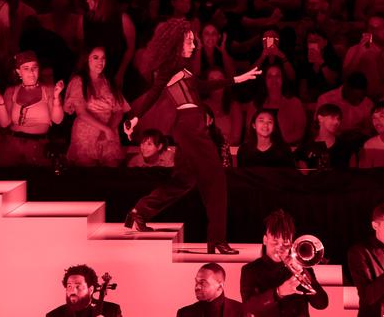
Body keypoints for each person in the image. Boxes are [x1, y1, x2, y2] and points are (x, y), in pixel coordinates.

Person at [123, 18, 261, 254]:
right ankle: (217, 240)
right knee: (216, 181)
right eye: (189, 41)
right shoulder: (169, 67)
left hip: (190, 126)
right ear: (177, 42)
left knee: (184, 181)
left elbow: (203, 86)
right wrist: (135, 118)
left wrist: (236, 79)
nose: (194, 45)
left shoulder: (183, 68)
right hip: (190, 127)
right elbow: (154, 93)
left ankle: (139, 213)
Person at [240, 209, 328, 316]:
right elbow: (249, 308)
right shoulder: (250, 270)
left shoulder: (302, 268)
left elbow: (321, 304)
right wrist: (278, 292)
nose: (280, 247)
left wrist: (304, 274)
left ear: (291, 243)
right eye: (275, 241)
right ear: (265, 240)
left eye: (285, 242)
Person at [64, 46, 130, 167]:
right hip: (86, 137)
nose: (100, 61)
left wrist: (108, 130)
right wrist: (105, 129)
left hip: (109, 136)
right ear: (86, 60)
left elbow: (119, 111)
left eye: (103, 58)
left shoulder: (109, 82)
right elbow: (81, 113)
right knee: (89, 177)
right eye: (96, 58)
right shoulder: (79, 81)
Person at [0, 51, 64, 166]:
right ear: (19, 72)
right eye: (26, 68)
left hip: (38, 146)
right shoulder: (11, 91)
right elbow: (4, 123)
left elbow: (57, 120)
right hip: (12, 145)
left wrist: (56, 98)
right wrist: (0, 102)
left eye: (34, 68)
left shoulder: (49, 90)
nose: (31, 72)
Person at [343, 13, 384, 100]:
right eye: (371, 27)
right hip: (360, 100)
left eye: (379, 28)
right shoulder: (354, 49)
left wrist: (377, 56)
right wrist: (358, 53)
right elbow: (345, 78)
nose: (373, 32)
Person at [246, 64, 306, 145]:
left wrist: (278, 145)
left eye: (277, 76)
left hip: (288, 150)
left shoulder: (294, 103)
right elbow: (249, 132)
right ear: (265, 80)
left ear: (283, 79)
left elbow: (300, 131)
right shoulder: (254, 104)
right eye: (270, 76)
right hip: (260, 150)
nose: (274, 79)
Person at [46, 264, 122, 317]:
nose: (72, 291)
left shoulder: (112, 311)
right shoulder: (54, 315)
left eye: (78, 286)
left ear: (91, 289)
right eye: (69, 286)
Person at [295, 103, 352, 170]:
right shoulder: (306, 146)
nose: (337, 122)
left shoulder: (344, 146)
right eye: (332, 117)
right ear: (320, 118)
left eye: (339, 119)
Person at [177, 263, 246, 317]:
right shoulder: (184, 313)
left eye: (202, 282)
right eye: (196, 282)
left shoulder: (242, 311)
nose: (197, 287)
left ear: (220, 286)